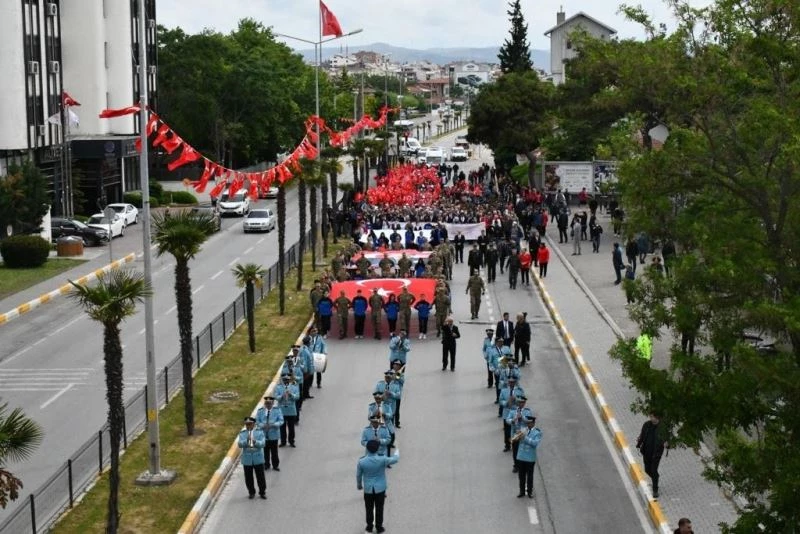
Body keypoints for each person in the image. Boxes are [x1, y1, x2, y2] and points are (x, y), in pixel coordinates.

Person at [356, 440, 400, 533]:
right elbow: (395, 460)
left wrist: (359, 485)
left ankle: (369, 527)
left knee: (369, 508)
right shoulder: (382, 459)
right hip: (380, 489)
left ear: (367, 448)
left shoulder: (362, 461)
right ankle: (379, 527)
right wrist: (397, 452)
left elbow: (358, 475)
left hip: (368, 489)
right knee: (380, 508)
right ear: (377, 449)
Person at [636, 411, 669, 498]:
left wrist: (667, 444)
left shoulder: (662, 427)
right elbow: (642, 435)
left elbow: (667, 439)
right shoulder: (647, 424)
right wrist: (638, 444)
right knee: (647, 470)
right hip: (646, 452)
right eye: (650, 416)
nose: (650, 418)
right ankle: (656, 478)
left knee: (653, 470)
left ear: (656, 417)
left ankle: (655, 490)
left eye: (652, 417)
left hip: (656, 454)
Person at [238, 416, 267, 499]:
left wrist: (255, 441)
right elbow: (239, 444)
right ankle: (251, 492)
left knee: (260, 477)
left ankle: (262, 492)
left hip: (257, 457)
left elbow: (262, 444)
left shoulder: (259, 432)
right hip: (247, 458)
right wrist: (246, 441)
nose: (248, 426)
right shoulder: (243, 433)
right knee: (248, 477)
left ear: (254, 424)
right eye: (247, 424)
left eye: (250, 424)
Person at [515, 416, 542, 498]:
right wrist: (517, 436)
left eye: (530, 423)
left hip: (530, 458)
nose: (528, 425)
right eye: (527, 423)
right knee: (521, 476)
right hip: (521, 456)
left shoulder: (538, 433)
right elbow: (516, 439)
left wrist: (525, 438)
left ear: (533, 423)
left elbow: (535, 444)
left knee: (530, 476)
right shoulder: (524, 430)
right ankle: (522, 491)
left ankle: (530, 491)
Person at [256, 396, 284, 471]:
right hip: (264, 435)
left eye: (269, 403)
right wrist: (263, 425)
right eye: (267, 403)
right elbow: (257, 421)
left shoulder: (277, 410)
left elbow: (281, 421)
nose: (268, 405)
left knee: (274, 451)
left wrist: (274, 424)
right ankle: (266, 464)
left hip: (273, 434)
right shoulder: (260, 411)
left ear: (272, 403)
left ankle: (275, 465)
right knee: (265, 451)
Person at [506, 397, 533, 473]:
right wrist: (513, 420)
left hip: (524, 433)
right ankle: (516, 465)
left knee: (524, 450)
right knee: (515, 451)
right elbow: (507, 420)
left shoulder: (527, 411)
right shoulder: (513, 411)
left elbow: (530, 421)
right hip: (515, 433)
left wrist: (523, 418)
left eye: (523, 402)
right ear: (517, 403)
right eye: (520, 402)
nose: (521, 404)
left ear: (524, 403)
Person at [274, 374, 300, 447]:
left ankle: (291, 441)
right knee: (282, 427)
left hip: (291, 410)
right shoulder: (278, 387)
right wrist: (282, 395)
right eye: (284, 380)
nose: (286, 381)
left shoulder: (294, 387)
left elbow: (297, 397)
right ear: (282, 380)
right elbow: (276, 397)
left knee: (291, 427)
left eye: (287, 380)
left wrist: (291, 394)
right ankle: (283, 441)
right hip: (282, 410)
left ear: (289, 380)